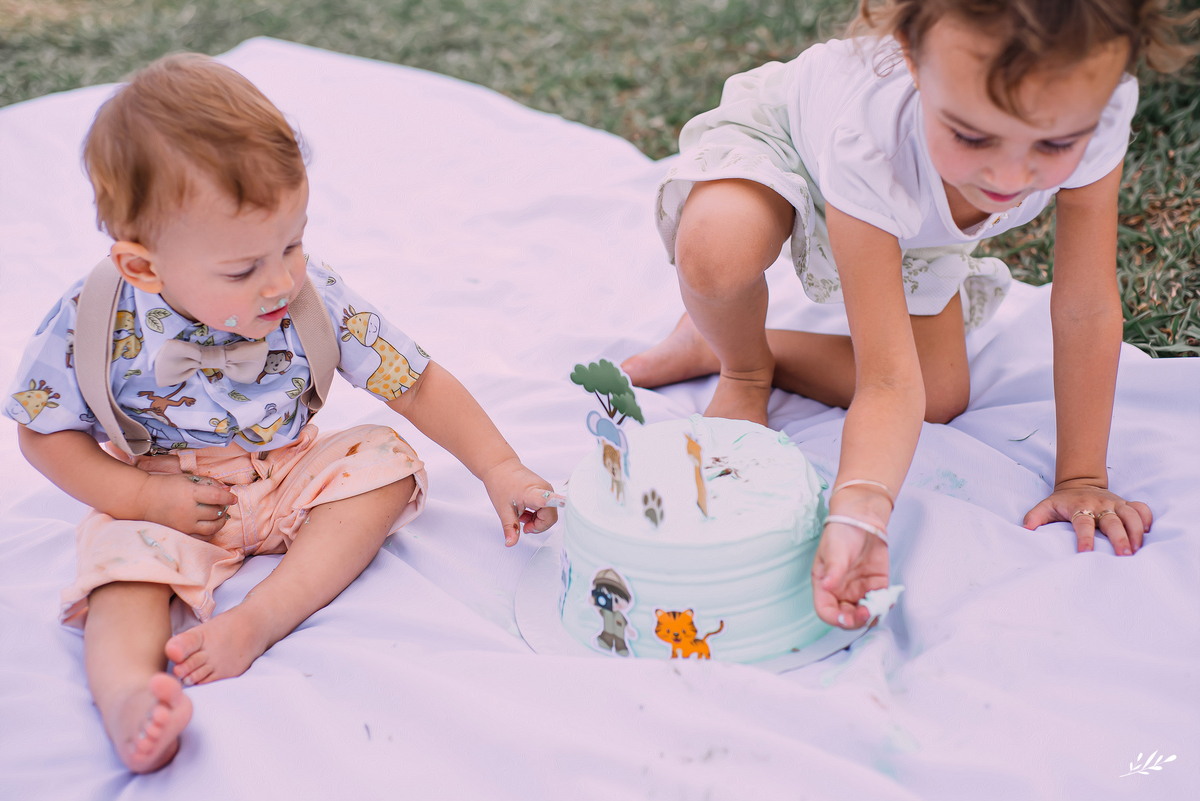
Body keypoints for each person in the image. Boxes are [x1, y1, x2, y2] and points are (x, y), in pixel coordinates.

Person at [4, 54, 562, 773]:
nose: (281, 279)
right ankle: (130, 701)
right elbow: (42, 433)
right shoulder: (94, 317)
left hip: (292, 468)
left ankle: (263, 615)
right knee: (120, 573)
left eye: (293, 243)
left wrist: (499, 465)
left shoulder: (309, 295)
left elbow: (413, 382)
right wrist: (140, 496)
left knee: (384, 463)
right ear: (144, 266)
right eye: (243, 270)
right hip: (170, 492)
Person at [623, 0, 1191, 630]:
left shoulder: (1096, 102)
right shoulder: (871, 138)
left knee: (940, 396)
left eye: (1054, 143)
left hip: (914, 215)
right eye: (973, 134)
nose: (1009, 176)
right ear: (910, 55)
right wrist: (860, 511)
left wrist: (1082, 474)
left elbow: (1084, 304)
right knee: (717, 255)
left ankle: (710, 345)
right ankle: (741, 363)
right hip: (795, 143)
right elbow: (883, 381)